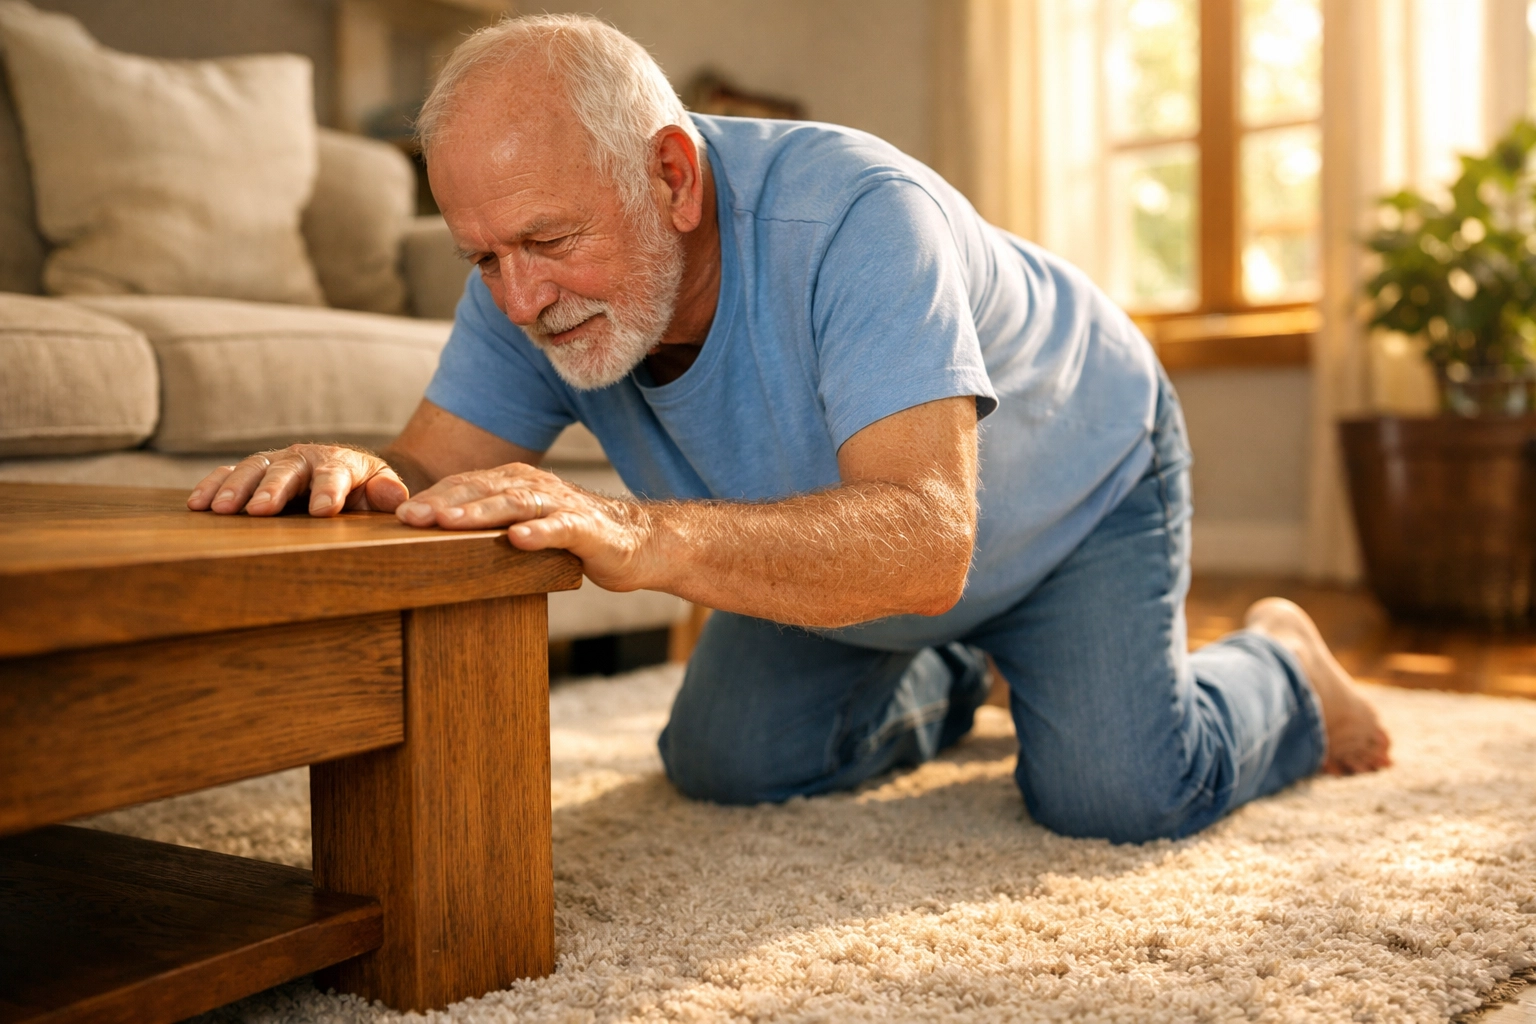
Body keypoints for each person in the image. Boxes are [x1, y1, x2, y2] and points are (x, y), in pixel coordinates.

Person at [188, 14, 1390, 843]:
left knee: (1120, 798)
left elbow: (926, 540)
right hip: (876, 557)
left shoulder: (863, 216)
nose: (519, 299)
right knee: (726, 764)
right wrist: (357, 466)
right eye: (483, 257)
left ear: (672, 176)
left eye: (549, 242)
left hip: (1079, 491)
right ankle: (966, 667)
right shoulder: (525, 281)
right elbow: (429, 471)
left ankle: (1283, 665)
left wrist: (642, 534)